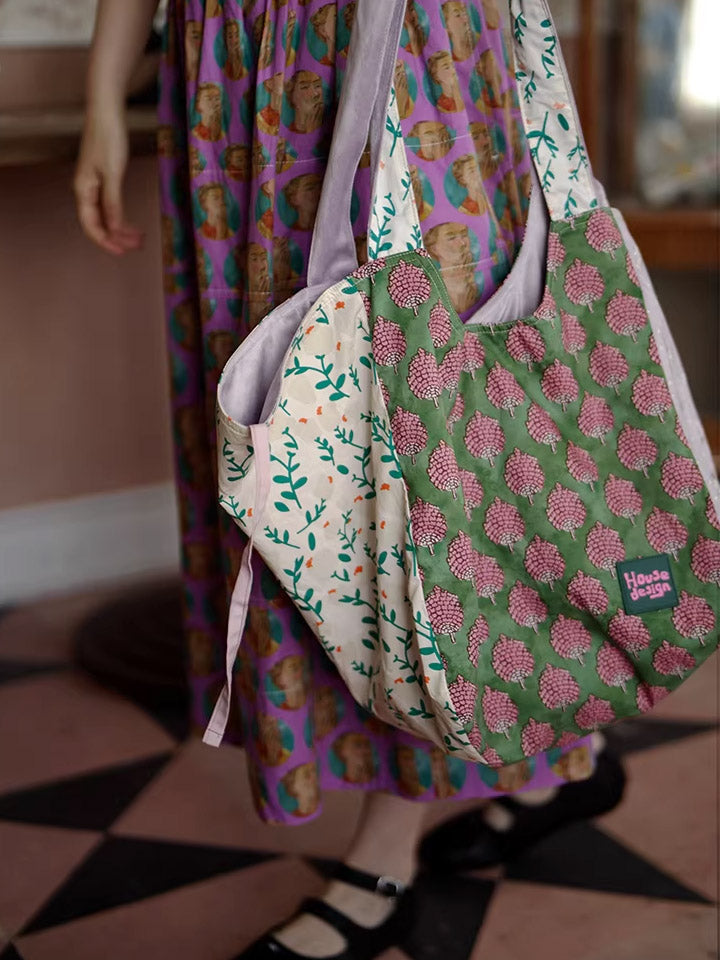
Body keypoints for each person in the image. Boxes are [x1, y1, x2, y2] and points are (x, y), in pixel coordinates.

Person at [75, 3, 624, 958]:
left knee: (413, 438)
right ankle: (554, 753)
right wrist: (102, 93)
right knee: (287, 431)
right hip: (232, 72)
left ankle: (385, 856)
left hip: (401, 49)